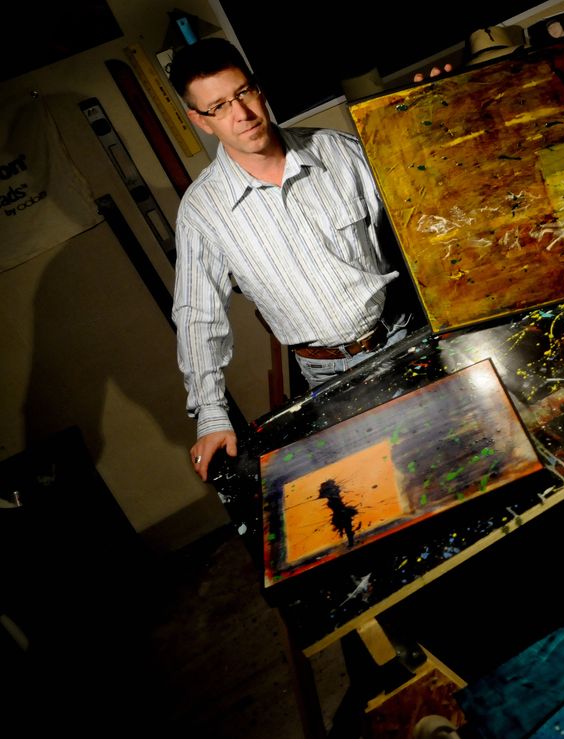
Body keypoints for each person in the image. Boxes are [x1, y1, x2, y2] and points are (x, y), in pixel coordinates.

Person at [169, 38, 417, 481]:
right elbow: (197, 317)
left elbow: (415, 218)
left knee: (455, 456)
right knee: (383, 484)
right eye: (219, 107)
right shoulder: (203, 210)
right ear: (199, 121)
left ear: (258, 89)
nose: (241, 115)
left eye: (243, 93)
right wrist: (211, 413)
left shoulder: (338, 152)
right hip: (327, 376)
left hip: (402, 336)